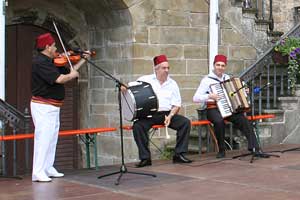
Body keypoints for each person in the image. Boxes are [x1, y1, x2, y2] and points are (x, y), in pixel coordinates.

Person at [31, 33, 89, 182]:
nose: (56, 48)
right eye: (54, 45)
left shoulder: (52, 62)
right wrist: (72, 75)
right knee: (43, 138)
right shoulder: (40, 62)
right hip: (43, 105)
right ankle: (38, 171)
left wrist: (83, 60)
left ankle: (48, 167)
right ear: (47, 47)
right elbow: (60, 79)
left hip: (53, 106)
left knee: (51, 138)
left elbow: (70, 71)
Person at [123, 54, 192, 168]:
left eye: (168, 68)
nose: (166, 70)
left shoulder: (172, 83)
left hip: (166, 114)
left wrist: (170, 116)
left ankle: (179, 155)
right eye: (163, 68)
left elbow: (176, 104)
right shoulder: (145, 79)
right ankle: (145, 158)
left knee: (185, 123)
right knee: (138, 126)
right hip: (149, 114)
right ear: (156, 68)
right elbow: (129, 88)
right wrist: (123, 88)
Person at [193, 54, 260, 158]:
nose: (220, 67)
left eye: (222, 65)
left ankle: (254, 147)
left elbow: (234, 93)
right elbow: (195, 98)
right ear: (214, 65)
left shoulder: (227, 78)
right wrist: (210, 96)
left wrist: (244, 91)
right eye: (218, 65)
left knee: (243, 119)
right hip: (212, 109)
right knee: (219, 121)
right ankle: (221, 149)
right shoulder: (206, 80)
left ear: (225, 67)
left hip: (228, 108)